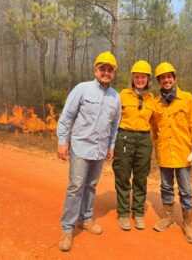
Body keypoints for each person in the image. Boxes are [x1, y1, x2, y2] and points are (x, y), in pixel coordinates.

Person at [57, 51, 121, 252]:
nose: (106, 72)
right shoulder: (82, 89)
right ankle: (67, 228)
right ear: (96, 70)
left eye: (110, 70)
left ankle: (85, 219)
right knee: (76, 186)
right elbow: (67, 116)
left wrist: (111, 146)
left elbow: (114, 126)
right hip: (80, 147)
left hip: (100, 150)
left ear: (114, 73)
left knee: (91, 185)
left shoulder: (115, 97)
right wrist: (62, 141)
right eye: (102, 68)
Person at [152, 62, 192, 244]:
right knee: (165, 187)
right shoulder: (156, 103)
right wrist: (157, 143)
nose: (166, 80)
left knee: (186, 190)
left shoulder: (187, 98)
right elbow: (153, 128)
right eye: (162, 78)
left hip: (183, 152)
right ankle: (168, 218)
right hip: (165, 152)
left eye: (169, 77)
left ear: (174, 78)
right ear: (159, 81)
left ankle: (188, 224)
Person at [112, 60, 155, 231]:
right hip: (124, 136)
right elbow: (113, 119)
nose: (139, 80)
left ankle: (137, 212)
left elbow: (157, 124)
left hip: (144, 139)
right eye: (136, 77)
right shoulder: (122, 95)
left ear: (148, 79)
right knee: (122, 175)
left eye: (143, 77)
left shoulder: (152, 100)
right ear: (132, 78)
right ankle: (123, 213)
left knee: (141, 177)